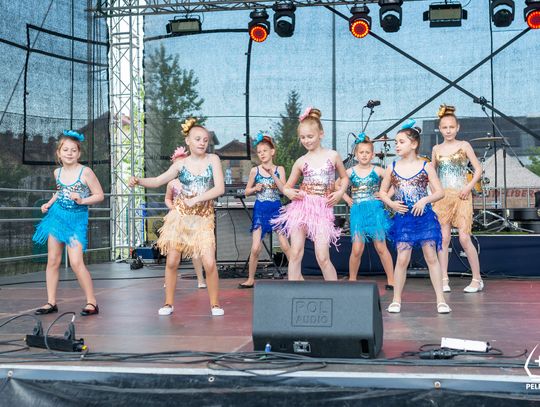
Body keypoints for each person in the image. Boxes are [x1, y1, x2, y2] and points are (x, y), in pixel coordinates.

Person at [129, 118, 225, 316]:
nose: (202, 143)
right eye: (197, 139)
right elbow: (158, 180)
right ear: (188, 141)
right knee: (172, 261)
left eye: (205, 140)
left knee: (209, 263)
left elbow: (219, 188)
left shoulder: (213, 160)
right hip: (180, 217)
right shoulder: (181, 164)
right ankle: (168, 303)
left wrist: (196, 199)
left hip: (203, 218)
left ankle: (215, 304)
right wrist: (139, 180)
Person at [379, 120, 451, 314]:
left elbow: (440, 192)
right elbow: (383, 192)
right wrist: (392, 204)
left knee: (431, 257)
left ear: (414, 144)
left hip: (424, 218)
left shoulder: (426, 166)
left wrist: (424, 200)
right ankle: (396, 300)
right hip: (404, 219)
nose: (397, 145)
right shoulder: (392, 167)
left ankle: (441, 300)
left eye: (401, 142)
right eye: (396, 142)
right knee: (402, 259)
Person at [271, 107, 348, 281]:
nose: (306, 140)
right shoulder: (301, 161)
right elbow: (287, 187)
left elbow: (344, 178)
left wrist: (340, 193)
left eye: (310, 136)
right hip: (301, 208)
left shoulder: (333, 155)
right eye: (303, 137)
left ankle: (335, 293)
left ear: (321, 134)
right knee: (296, 252)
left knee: (322, 257)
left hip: (322, 209)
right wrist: (289, 193)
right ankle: (293, 291)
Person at [33, 130, 104, 316]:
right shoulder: (57, 172)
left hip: (76, 220)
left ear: (79, 153)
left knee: (76, 261)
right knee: (53, 260)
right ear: (59, 153)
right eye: (65, 150)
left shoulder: (85, 172)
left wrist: (82, 199)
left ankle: (92, 302)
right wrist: (49, 203)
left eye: (73, 150)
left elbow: (99, 195)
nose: (69, 153)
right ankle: (51, 302)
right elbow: (60, 192)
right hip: (57, 218)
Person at [432, 105, 483, 293]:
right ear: (440, 129)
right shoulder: (436, 149)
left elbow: (478, 169)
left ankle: (477, 279)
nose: (448, 130)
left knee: (464, 238)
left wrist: (468, 187)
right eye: (445, 127)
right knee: (444, 238)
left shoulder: (464, 145)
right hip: (443, 198)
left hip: (462, 195)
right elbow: (432, 174)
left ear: (458, 127)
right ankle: (443, 278)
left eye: (451, 127)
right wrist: (434, 193)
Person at [342, 133, 394, 289]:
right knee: (357, 248)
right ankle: (352, 279)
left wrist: (385, 195)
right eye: (361, 152)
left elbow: (396, 181)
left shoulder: (378, 170)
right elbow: (337, 185)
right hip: (358, 212)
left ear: (372, 154)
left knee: (381, 247)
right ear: (356, 154)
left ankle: (392, 280)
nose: (364, 155)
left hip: (375, 211)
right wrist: (347, 199)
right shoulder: (350, 171)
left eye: (367, 152)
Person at [238, 133, 290, 289]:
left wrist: (273, 174)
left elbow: (284, 190)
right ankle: (250, 279)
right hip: (261, 209)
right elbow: (246, 191)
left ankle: (296, 276)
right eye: (259, 152)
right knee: (256, 248)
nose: (262, 154)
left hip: (276, 208)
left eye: (265, 151)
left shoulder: (280, 169)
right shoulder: (255, 171)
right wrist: (255, 188)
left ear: (272, 152)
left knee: (284, 245)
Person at [164, 146, 206, 289]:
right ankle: (169, 280)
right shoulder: (171, 183)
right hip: (176, 219)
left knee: (195, 250)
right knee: (173, 251)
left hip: (192, 218)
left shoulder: (194, 181)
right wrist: (172, 207)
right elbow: (167, 198)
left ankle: (200, 279)